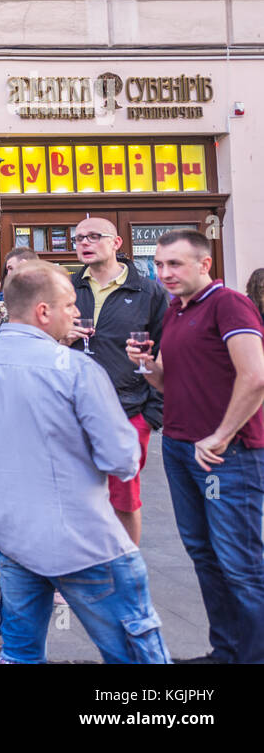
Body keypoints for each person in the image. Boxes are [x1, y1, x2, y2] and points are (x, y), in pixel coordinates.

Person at [0, 261, 170, 664]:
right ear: (43, 311)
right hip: (86, 539)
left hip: (13, 533)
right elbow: (122, 459)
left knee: (20, 651)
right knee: (134, 653)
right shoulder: (76, 368)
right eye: (69, 305)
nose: (76, 314)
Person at [126, 229, 264, 664]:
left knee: (240, 565)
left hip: (228, 455)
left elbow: (256, 377)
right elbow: (167, 381)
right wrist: (147, 366)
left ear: (204, 264)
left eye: (176, 264)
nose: (164, 273)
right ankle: (227, 651)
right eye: (160, 264)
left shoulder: (228, 303)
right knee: (204, 556)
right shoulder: (176, 309)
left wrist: (221, 435)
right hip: (182, 447)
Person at [64, 216, 168, 545]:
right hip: (72, 410)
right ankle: (81, 577)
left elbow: (167, 351)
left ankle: (125, 578)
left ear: (116, 243)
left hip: (128, 411)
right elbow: (40, 342)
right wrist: (60, 336)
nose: (84, 243)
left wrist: (152, 416)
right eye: (78, 238)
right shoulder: (67, 287)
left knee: (123, 501)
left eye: (94, 236)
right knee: (76, 497)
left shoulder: (147, 291)